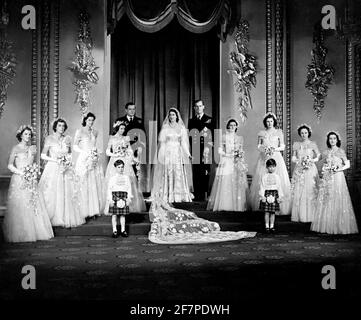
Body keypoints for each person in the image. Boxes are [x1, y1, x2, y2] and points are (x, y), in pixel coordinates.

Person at [2, 125, 54, 242]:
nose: (28, 136)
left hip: (31, 179)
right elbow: (10, 165)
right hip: (20, 178)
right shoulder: (16, 148)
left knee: (33, 204)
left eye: (29, 134)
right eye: (26, 134)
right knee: (21, 205)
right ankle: (21, 233)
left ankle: (35, 231)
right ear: (21, 135)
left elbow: (32, 164)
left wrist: (33, 172)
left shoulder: (33, 148)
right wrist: (21, 173)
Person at [39, 118, 85, 228]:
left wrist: (66, 162)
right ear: (55, 126)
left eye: (63, 126)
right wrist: (55, 160)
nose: (62, 128)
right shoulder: (49, 139)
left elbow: (69, 154)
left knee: (66, 192)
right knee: (52, 191)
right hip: (53, 167)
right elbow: (43, 155)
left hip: (65, 168)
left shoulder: (67, 139)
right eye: (59, 125)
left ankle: (64, 217)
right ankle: (50, 217)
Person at [311, 132, 358, 234]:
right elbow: (323, 164)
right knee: (327, 199)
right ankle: (327, 225)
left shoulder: (340, 151)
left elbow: (347, 164)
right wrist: (324, 169)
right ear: (328, 140)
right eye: (330, 139)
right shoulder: (326, 152)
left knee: (338, 198)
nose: (332, 140)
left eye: (334, 138)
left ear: (337, 140)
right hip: (328, 178)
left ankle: (339, 225)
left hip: (338, 177)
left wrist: (339, 169)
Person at [249, 112, 291, 215]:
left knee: (278, 179)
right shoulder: (261, 133)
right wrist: (264, 149)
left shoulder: (278, 132)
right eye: (267, 121)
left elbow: (282, 146)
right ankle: (263, 204)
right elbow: (258, 146)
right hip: (264, 157)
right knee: (262, 178)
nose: (269, 123)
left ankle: (278, 205)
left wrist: (274, 149)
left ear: (274, 122)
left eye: (271, 121)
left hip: (276, 157)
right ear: (265, 122)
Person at [151, 107, 193, 203]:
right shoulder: (165, 127)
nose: (171, 116)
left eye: (173, 115)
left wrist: (188, 154)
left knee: (177, 172)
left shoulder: (181, 128)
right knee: (168, 172)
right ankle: (167, 194)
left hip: (177, 153)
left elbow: (183, 143)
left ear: (177, 116)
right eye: (170, 115)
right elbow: (162, 143)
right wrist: (161, 154)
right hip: (168, 152)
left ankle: (178, 195)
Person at [207, 119, 249, 211]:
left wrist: (240, 156)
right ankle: (225, 205)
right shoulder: (224, 137)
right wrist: (227, 155)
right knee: (226, 182)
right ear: (228, 126)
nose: (232, 127)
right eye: (230, 125)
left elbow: (241, 150)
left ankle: (237, 206)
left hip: (236, 161)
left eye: (234, 125)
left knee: (236, 182)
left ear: (236, 127)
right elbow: (220, 150)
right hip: (226, 160)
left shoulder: (240, 138)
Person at [104, 121, 145, 213]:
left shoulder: (126, 138)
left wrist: (131, 156)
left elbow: (129, 150)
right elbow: (107, 151)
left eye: (123, 129)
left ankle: (128, 205)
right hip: (115, 160)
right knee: (114, 182)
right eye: (121, 128)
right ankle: (113, 205)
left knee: (127, 182)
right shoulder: (112, 138)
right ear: (117, 129)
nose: (122, 130)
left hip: (124, 161)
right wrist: (114, 154)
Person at [73, 112, 105, 219]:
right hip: (84, 159)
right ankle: (84, 210)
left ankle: (93, 210)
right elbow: (74, 146)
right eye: (89, 120)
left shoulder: (95, 132)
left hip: (93, 158)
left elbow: (93, 145)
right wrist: (84, 152)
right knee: (84, 183)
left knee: (94, 183)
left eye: (92, 120)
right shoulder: (80, 131)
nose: (91, 122)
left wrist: (96, 152)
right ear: (85, 120)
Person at [290, 124, 320, 222]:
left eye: (305, 133)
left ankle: (311, 215)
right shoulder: (296, 144)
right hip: (300, 169)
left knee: (311, 189)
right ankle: (300, 215)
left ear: (308, 133)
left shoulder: (313, 144)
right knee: (299, 189)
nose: (304, 134)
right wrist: (297, 161)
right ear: (300, 134)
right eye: (302, 133)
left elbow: (319, 155)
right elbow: (293, 157)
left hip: (310, 168)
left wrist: (312, 160)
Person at [188, 99, 214, 201]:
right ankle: (197, 194)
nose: (198, 108)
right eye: (196, 106)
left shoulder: (209, 119)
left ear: (203, 107)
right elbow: (190, 136)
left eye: (200, 106)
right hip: (195, 148)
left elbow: (212, 135)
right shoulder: (191, 121)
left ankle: (204, 194)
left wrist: (208, 147)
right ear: (194, 108)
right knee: (196, 171)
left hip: (206, 149)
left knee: (205, 171)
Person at [105, 160, 132, 238]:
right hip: (115, 197)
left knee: (123, 215)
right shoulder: (112, 178)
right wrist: (110, 199)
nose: (121, 169)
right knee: (114, 215)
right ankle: (115, 230)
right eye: (119, 167)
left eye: (122, 167)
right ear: (115, 168)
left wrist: (128, 198)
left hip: (123, 196)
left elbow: (129, 188)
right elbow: (109, 189)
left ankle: (123, 230)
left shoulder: (126, 178)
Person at [259, 159, 283, 233]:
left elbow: (279, 187)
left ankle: (272, 226)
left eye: (273, 166)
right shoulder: (264, 176)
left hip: (274, 194)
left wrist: (280, 196)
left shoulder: (277, 177)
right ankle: (267, 226)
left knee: (272, 212)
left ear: (275, 167)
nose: (271, 168)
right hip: (267, 194)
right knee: (266, 212)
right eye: (269, 167)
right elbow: (262, 187)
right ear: (266, 167)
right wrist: (262, 196)